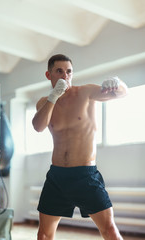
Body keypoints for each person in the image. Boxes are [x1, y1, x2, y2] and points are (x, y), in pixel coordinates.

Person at [32, 54, 128, 240]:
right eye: (59, 71)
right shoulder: (44, 102)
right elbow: (38, 126)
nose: (65, 76)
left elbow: (123, 93)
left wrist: (118, 83)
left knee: (109, 230)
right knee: (43, 235)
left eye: (69, 72)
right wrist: (54, 96)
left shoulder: (85, 92)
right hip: (57, 177)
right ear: (48, 74)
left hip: (85, 175)